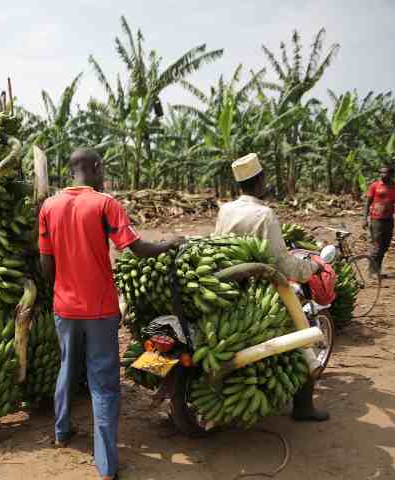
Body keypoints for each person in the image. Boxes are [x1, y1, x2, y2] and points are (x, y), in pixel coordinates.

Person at [38, 149, 183, 480]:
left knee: (67, 366)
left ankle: (61, 434)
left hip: (65, 306)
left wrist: (63, 287)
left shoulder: (49, 206)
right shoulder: (105, 204)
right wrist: (169, 243)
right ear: (97, 168)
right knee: (103, 383)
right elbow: (135, 247)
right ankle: (106, 465)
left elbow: (46, 263)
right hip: (100, 308)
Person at [214, 153, 329, 422]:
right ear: (259, 181)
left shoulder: (225, 210)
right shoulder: (264, 215)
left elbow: (217, 245)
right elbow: (283, 263)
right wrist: (311, 267)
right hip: (261, 290)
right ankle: (303, 407)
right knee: (300, 334)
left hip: (227, 286)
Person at [363, 166, 395, 277]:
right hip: (376, 220)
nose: (382, 175)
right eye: (381, 173)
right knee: (377, 246)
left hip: (389, 220)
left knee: (385, 246)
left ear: (391, 174)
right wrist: (364, 219)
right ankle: (372, 272)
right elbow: (367, 202)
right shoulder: (375, 186)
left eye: (385, 173)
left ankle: (377, 270)